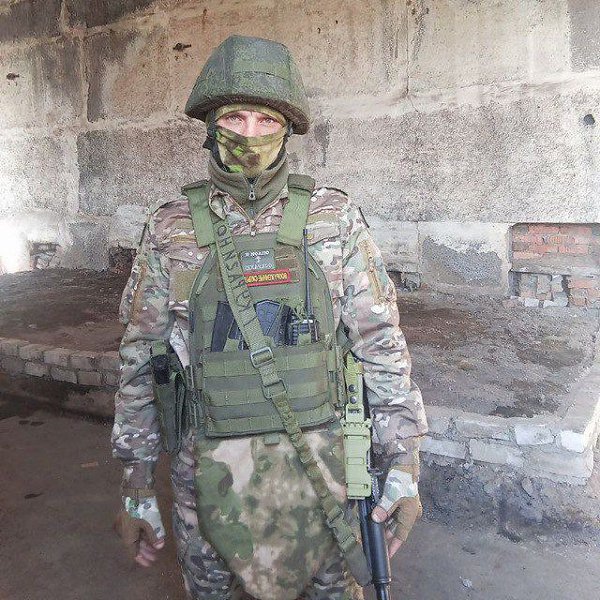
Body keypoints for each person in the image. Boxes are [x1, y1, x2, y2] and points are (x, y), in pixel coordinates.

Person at [112, 34, 428, 600]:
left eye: (266, 119)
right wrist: (137, 486)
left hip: (324, 477)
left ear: (287, 128)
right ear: (210, 126)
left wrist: (403, 463)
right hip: (207, 481)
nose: (250, 133)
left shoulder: (333, 219)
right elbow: (141, 360)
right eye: (235, 117)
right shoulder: (170, 229)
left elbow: (380, 343)